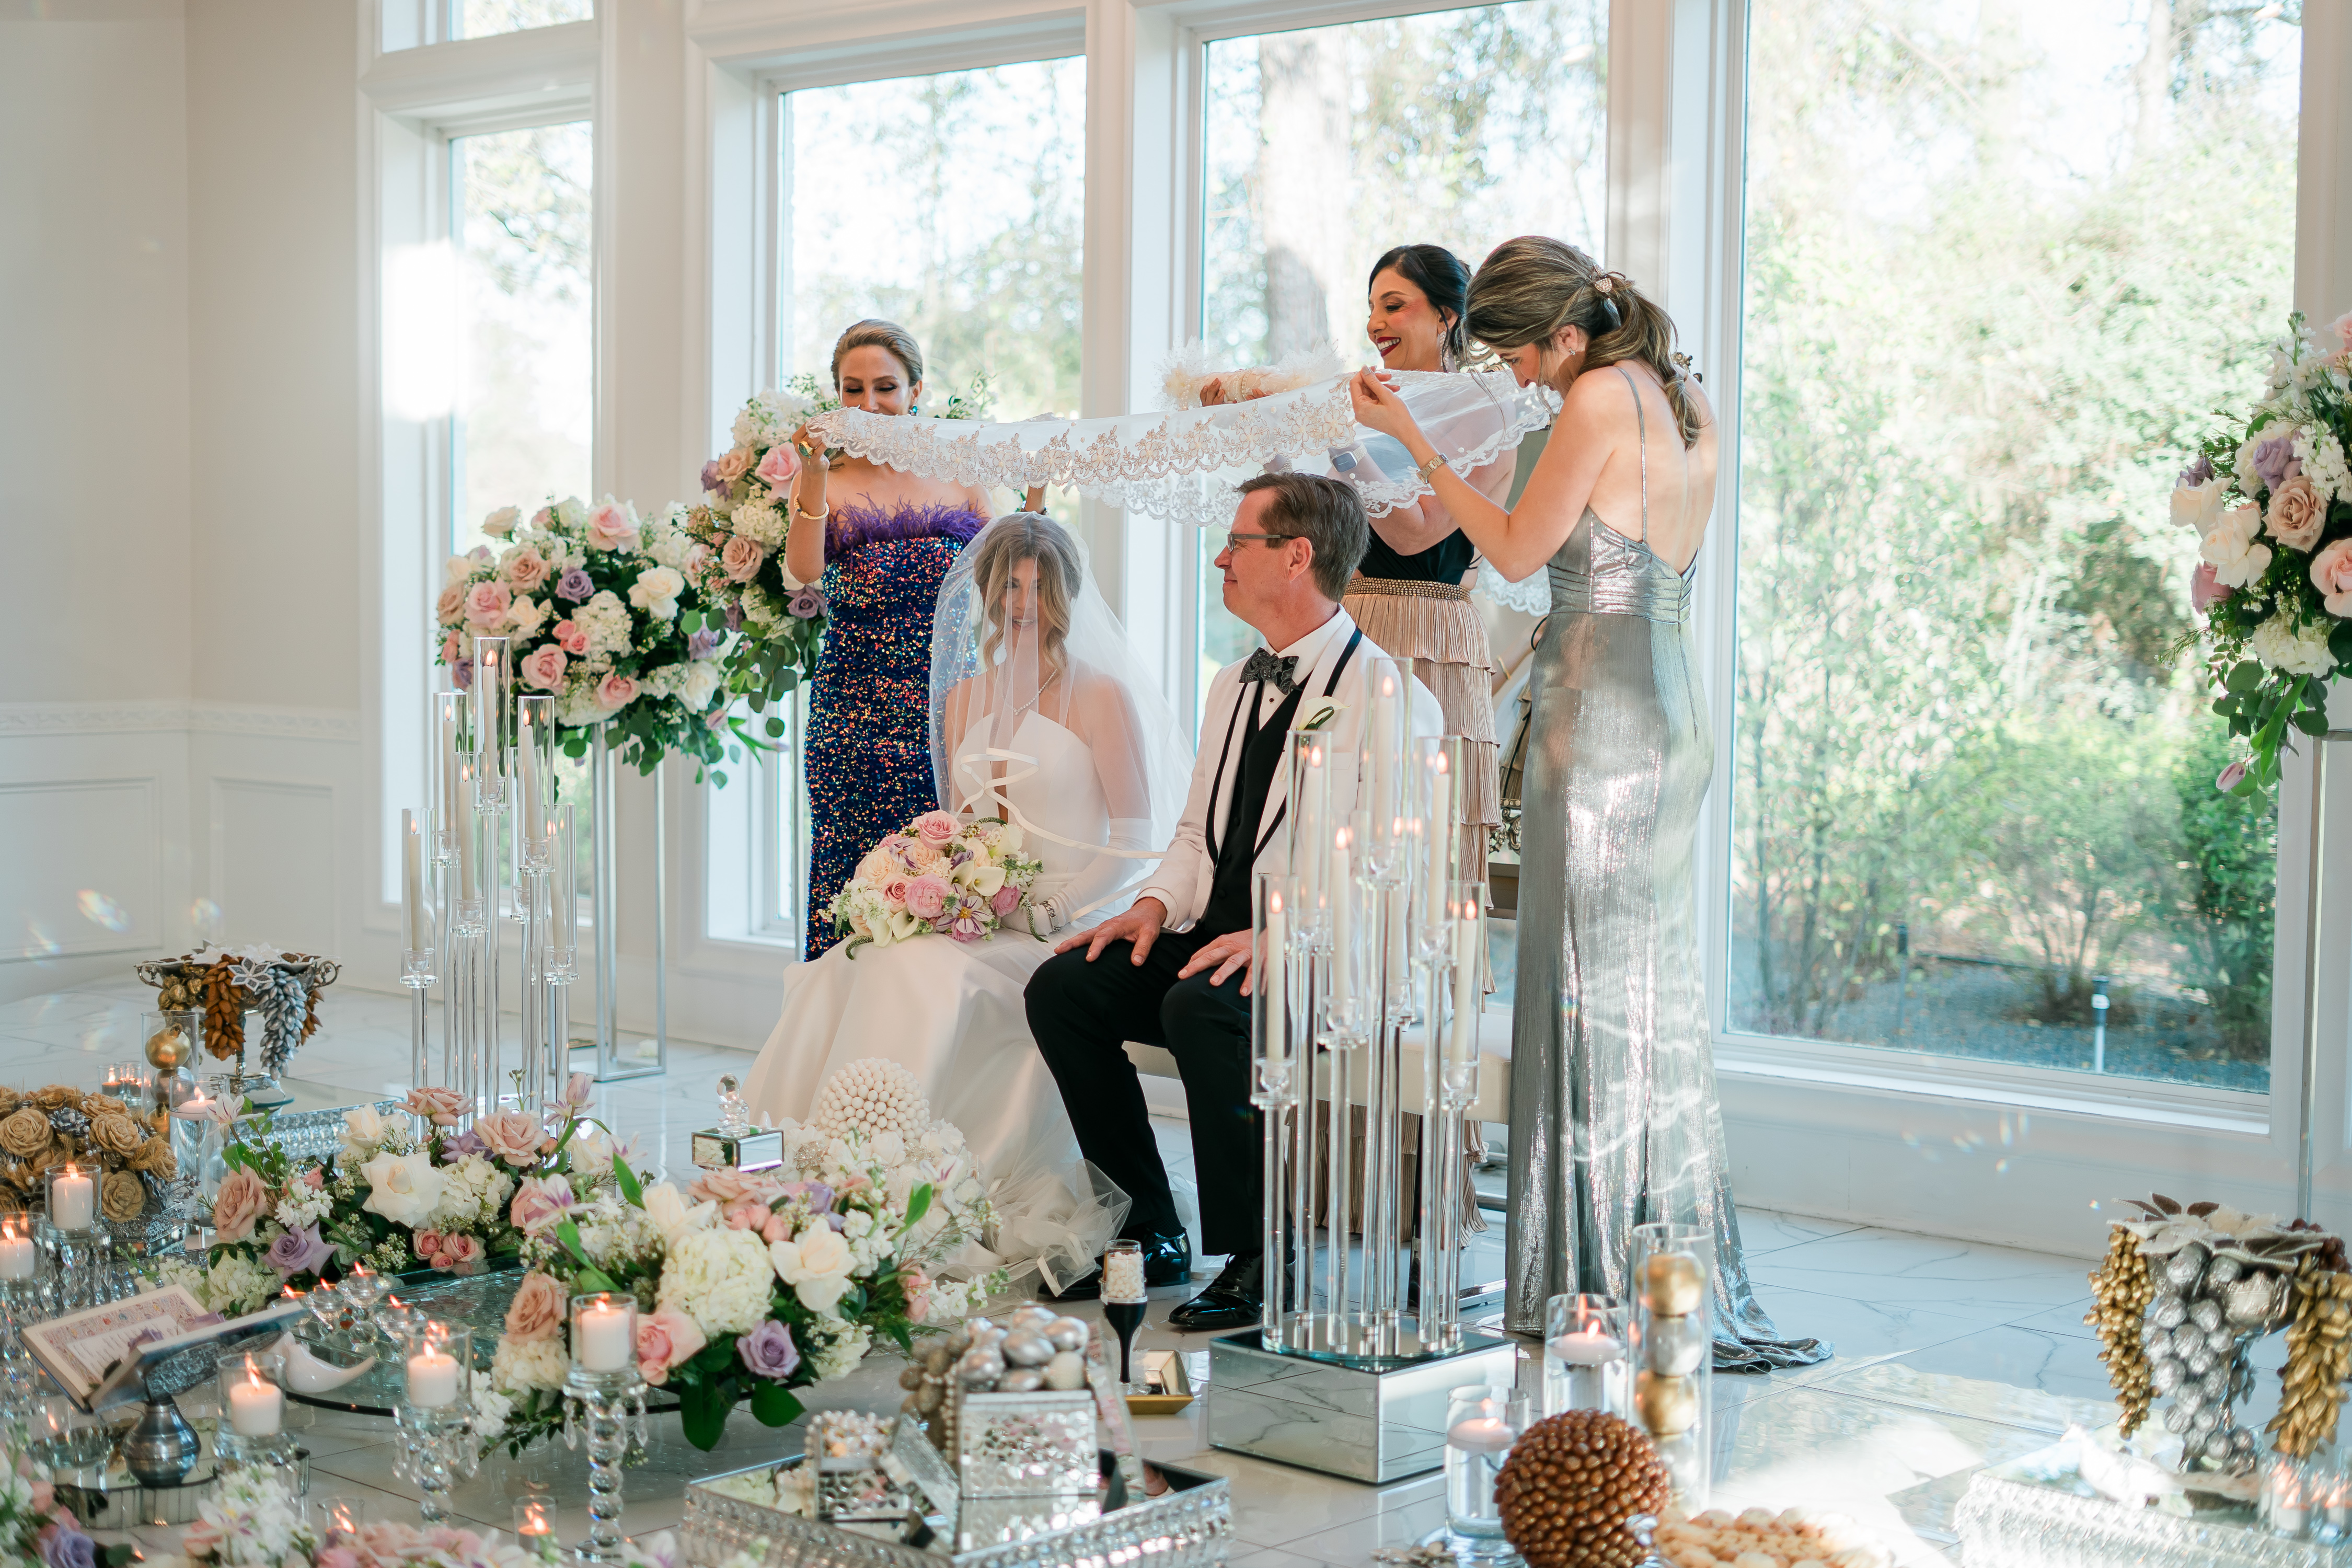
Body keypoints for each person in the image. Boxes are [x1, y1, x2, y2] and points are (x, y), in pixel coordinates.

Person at [1350, 237, 1829, 1371]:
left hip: (1601, 712)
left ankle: (1594, 1275)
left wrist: (1416, 439)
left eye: (1520, 357)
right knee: (1639, 997)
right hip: (1665, 699)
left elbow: (1517, 551)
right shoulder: (1683, 393)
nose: (1518, 378)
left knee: (1583, 993)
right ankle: (1647, 1264)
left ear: (1565, 335)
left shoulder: (1599, 399)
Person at [1023, 472, 1440, 1327]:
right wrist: (1150, 909)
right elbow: (1194, 834)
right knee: (1064, 988)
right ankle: (1149, 1229)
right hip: (1213, 934)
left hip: (1327, 953)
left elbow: (1394, 866)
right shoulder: (1233, 682)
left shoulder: (1390, 694)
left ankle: (1261, 1256)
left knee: (1201, 1006)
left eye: (1237, 542)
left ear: (1296, 556)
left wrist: (1284, 933)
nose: (1221, 558)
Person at [744, 513, 1192, 1290]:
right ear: (985, 593)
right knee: (858, 962)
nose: (1020, 602)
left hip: (1063, 922)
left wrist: (1056, 907)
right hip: (982, 916)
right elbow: (959, 823)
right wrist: (941, 885)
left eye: (1037, 587)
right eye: (1007, 586)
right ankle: (826, 1176)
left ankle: (911, 1184)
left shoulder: (1100, 694)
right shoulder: (963, 697)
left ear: (1065, 593)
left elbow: (1137, 836)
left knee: (927, 976)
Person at [1202, 245, 1519, 884]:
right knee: (1326, 819)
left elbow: (1414, 533)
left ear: (1447, 316)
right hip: (1345, 619)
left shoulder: (1485, 409)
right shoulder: (1367, 403)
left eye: (1394, 306)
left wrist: (1341, 435)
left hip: (1427, 634)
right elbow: (1312, 514)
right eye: (1371, 307)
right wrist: (1260, 429)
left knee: (1419, 828)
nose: (1376, 324)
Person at [783, 320, 998, 960]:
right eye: (853, 389)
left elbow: (1006, 571)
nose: (869, 403)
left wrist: (1038, 491)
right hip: (851, 712)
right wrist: (814, 472)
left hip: (946, 706)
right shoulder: (826, 478)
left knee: (944, 871)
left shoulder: (958, 469)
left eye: (885, 387)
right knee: (851, 877)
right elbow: (803, 571)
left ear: (916, 391)